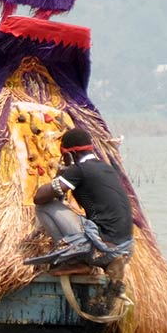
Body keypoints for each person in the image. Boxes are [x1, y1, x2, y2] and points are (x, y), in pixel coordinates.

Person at [30, 128, 134, 309]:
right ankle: (104, 259)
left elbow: (40, 197)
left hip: (102, 246)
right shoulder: (105, 168)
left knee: (44, 207)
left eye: (64, 155)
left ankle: (75, 259)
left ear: (71, 154)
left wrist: (62, 172)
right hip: (125, 247)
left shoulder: (79, 170)